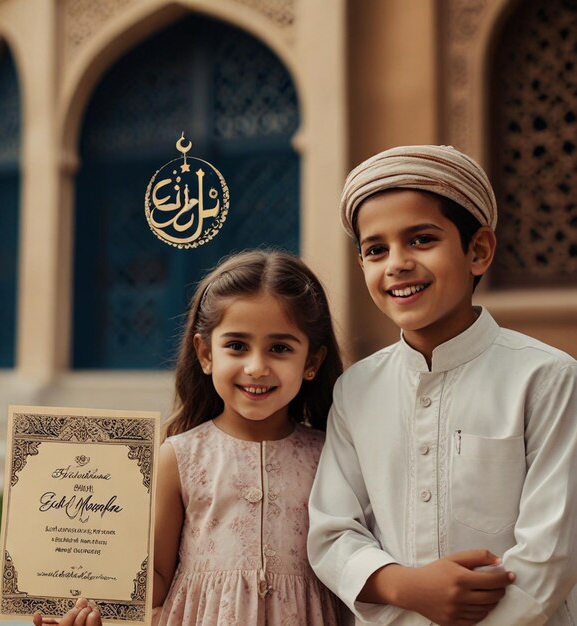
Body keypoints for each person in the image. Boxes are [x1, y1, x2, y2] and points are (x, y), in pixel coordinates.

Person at [307, 145, 577, 626]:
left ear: (478, 251)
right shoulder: (356, 391)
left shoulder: (548, 379)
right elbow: (332, 533)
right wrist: (404, 587)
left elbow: (549, 555)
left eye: (421, 239)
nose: (396, 264)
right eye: (376, 250)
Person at [34, 249, 346, 626]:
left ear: (311, 362)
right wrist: (84, 600)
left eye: (279, 348)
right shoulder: (179, 457)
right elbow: (156, 577)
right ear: (205, 353)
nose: (257, 367)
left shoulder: (330, 454)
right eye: (236, 346)